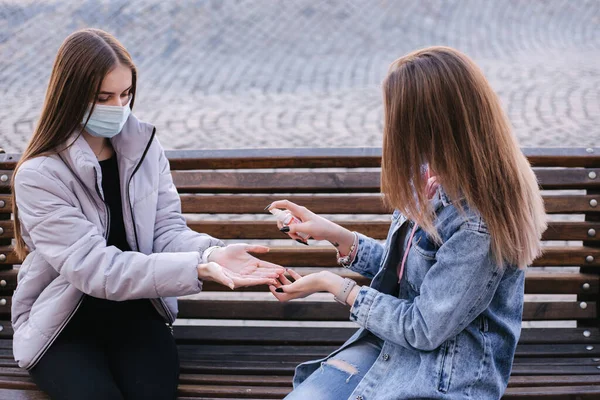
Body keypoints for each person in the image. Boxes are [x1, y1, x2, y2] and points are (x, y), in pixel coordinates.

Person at [11, 28, 284, 400]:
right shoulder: (40, 175)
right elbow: (95, 269)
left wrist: (211, 253)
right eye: (103, 97)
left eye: (126, 95)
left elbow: (165, 230)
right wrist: (195, 269)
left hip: (137, 314)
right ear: (71, 96)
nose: (118, 108)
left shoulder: (143, 148)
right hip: (63, 325)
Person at [267, 46, 547, 399]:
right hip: (389, 348)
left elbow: (424, 328)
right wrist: (339, 238)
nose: (390, 127)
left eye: (396, 116)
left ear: (427, 124)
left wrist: (332, 284)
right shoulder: (431, 177)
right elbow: (417, 277)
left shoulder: (478, 223)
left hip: (443, 375)